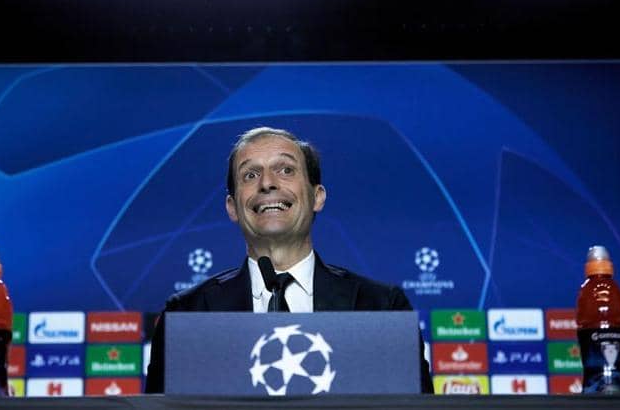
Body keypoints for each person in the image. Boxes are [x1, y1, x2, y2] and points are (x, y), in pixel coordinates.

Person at [144, 127, 434, 393]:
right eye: (250, 175)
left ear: (317, 196)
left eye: (285, 170)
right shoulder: (186, 315)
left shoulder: (381, 308)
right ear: (232, 207)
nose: (267, 183)